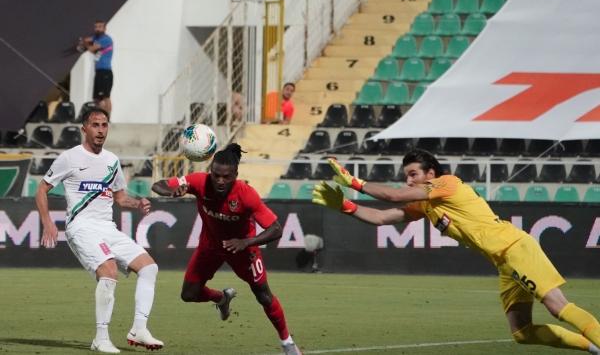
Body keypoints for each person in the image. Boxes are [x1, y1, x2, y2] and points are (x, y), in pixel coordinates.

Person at [312, 149, 600, 354]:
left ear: (431, 174)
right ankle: (591, 347)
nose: (409, 180)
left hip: (515, 248)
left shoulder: (448, 184)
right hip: (504, 263)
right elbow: (382, 218)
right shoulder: (426, 205)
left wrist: (355, 183)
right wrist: (345, 206)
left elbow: (395, 195)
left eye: (413, 174)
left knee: (556, 306)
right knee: (522, 333)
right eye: (407, 176)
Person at [151, 143, 302, 355]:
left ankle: (287, 342)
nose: (220, 181)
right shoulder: (198, 181)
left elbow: (276, 229)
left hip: (242, 249)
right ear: (210, 172)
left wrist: (246, 242)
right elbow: (158, 185)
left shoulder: (247, 194)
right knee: (188, 294)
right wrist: (171, 190)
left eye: (226, 177)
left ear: (236, 175)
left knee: (264, 296)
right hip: (210, 247)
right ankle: (221, 298)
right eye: (216, 175)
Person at [35, 107, 163, 353]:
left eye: (104, 125)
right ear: (84, 129)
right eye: (95, 125)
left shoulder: (112, 160)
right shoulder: (69, 158)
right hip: (81, 227)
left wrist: (138, 204)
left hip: (107, 227)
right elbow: (42, 189)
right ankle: (100, 338)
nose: (101, 130)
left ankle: (139, 328)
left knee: (149, 268)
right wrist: (48, 221)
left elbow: (120, 196)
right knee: (109, 272)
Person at [78, 20, 114, 115]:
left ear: (104, 28)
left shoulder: (106, 39)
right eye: (96, 27)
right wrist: (83, 45)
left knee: (106, 96)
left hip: (105, 70)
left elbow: (91, 48)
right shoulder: (96, 38)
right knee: (96, 98)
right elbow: (87, 40)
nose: (97, 29)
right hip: (98, 70)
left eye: (100, 26)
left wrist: (85, 44)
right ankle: (104, 113)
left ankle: (108, 116)